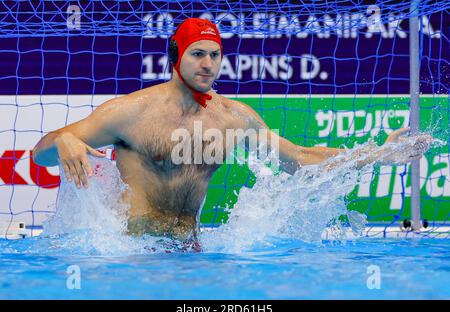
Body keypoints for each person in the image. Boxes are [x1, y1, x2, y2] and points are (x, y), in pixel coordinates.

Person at [32, 18, 432, 242]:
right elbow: (41, 154)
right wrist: (66, 139)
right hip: (131, 252)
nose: (208, 63)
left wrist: (381, 152)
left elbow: (300, 159)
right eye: (198, 54)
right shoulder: (131, 112)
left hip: (194, 251)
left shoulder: (232, 117)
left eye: (215, 55)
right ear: (176, 57)